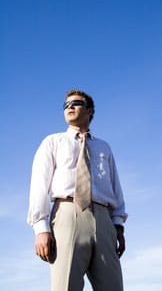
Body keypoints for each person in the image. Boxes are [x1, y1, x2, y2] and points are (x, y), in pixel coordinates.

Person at [27, 89, 127, 291]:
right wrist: (40, 228)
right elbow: (39, 185)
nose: (69, 107)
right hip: (66, 214)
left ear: (90, 110)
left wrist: (118, 226)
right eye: (66, 105)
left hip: (103, 219)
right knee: (66, 286)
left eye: (76, 103)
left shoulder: (104, 147)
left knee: (113, 286)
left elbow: (115, 187)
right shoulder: (53, 142)